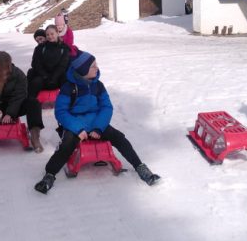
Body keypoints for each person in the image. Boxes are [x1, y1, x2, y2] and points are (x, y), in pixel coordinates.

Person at [34, 51, 160, 194]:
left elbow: (106, 107)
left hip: (96, 123)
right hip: (76, 125)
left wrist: (99, 128)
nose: (97, 68)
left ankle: (140, 167)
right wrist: (77, 129)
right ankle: (49, 175)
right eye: (93, 66)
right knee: (66, 146)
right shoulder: (68, 88)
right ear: (83, 70)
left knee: (119, 138)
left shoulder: (98, 86)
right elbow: (61, 112)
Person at [27, 24, 71, 98]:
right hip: (43, 77)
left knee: (67, 83)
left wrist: (54, 77)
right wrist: (45, 76)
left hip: (58, 77)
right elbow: (36, 64)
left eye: (52, 34)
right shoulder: (40, 48)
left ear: (57, 33)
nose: (50, 36)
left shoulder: (64, 48)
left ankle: (68, 104)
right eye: (47, 35)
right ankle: (30, 103)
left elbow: (63, 65)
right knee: (35, 83)